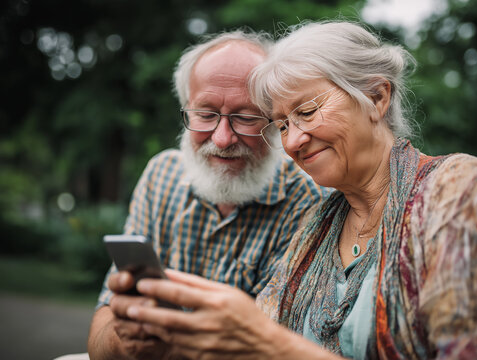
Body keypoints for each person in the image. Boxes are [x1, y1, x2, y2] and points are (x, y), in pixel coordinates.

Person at [121, 21, 477, 359]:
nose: (292, 141)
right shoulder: (318, 224)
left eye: (307, 112)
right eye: (280, 125)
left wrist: (267, 342)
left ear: (376, 97)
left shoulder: (457, 190)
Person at [86, 29, 329, 360]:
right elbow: (105, 318)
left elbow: (270, 347)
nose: (223, 137)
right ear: (187, 109)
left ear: (274, 121)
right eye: (206, 114)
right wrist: (124, 339)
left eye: (245, 117)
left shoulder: (307, 201)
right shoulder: (161, 176)